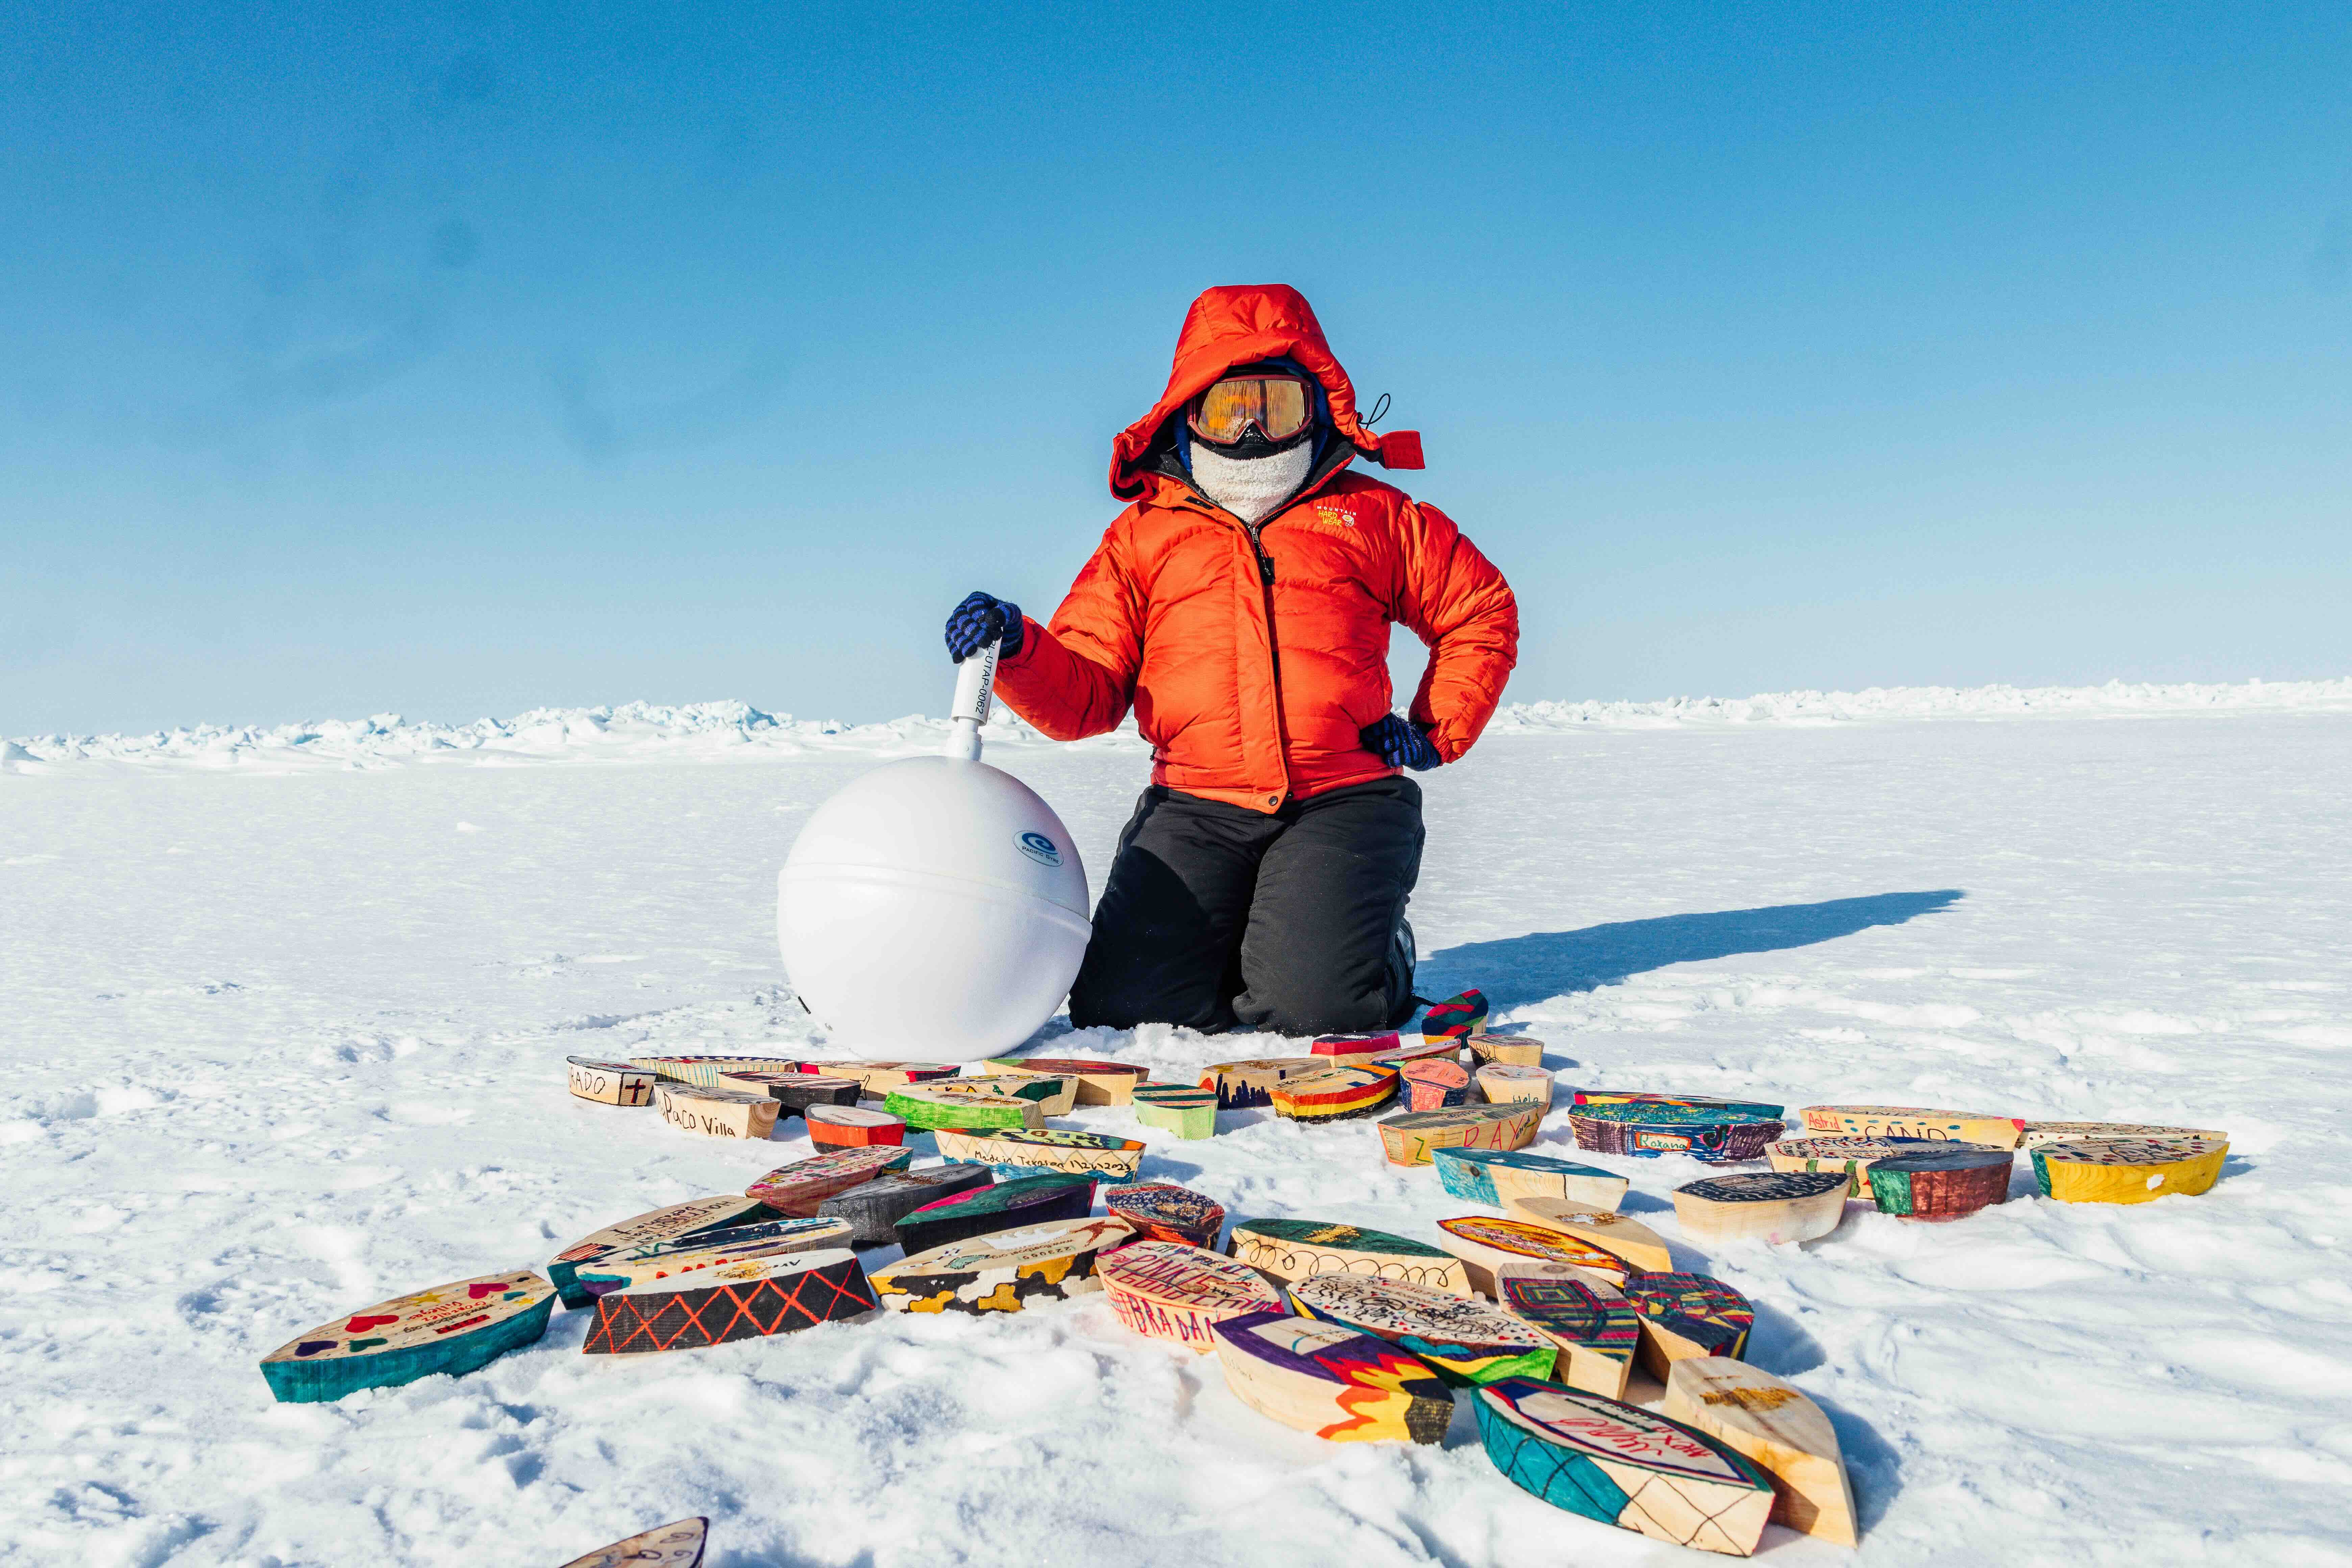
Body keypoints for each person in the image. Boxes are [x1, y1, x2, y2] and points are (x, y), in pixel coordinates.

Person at [944, 284, 1517, 1037]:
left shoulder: (1373, 515)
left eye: (1274, 407)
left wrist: (1435, 727)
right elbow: (1086, 697)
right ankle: (1252, 947)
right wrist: (1019, 649)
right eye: (1227, 409)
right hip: (1195, 806)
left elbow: (1479, 607)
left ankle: (1380, 954)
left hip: (1343, 798)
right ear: (1187, 410)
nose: (1251, 431)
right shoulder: (1144, 535)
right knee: (1122, 1010)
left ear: (1316, 406)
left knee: (1312, 1013)